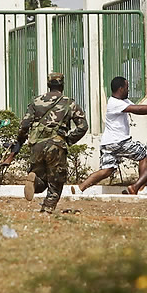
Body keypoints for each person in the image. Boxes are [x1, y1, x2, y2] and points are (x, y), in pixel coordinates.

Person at [71, 77, 147, 194]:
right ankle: (141, 188)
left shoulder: (123, 101)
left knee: (107, 170)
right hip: (118, 141)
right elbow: (137, 109)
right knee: (144, 153)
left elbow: (141, 110)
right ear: (121, 89)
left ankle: (80, 188)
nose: (129, 90)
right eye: (127, 88)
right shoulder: (115, 103)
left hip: (108, 143)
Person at [16, 73, 88, 213]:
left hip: (37, 144)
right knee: (56, 180)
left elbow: (24, 124)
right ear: (62, 85)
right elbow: (83, 126)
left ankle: (35, 180)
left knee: (41, 178)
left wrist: (20, 140)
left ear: (49, 85)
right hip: (56, 145)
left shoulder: (36, 101)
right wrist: (68, 140)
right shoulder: (69, 102)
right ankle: (47, 209)